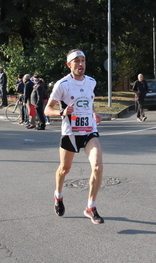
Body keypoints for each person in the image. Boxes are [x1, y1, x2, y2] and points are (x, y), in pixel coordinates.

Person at [44, 49, 104, 224]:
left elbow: (88, 103)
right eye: (76, 61)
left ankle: (90, 207)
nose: (81, 64)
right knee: (65, 169)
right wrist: (62, 112)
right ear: (69, 65)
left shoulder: (91, 82)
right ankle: (58, 195)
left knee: (98, 167)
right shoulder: (62, 84)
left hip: (89, 131)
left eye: (83, 60)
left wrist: (94, 113)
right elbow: (47, 109)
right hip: (70, 133)